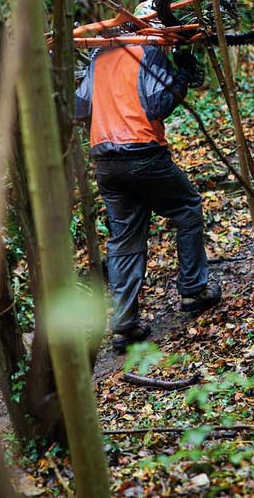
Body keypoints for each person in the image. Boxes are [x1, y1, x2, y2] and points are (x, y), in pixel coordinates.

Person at [75, 43, 221, 354]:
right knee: (187, 206)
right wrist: (181, 76)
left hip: (106, 165)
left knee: (124, 240)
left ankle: (126, 324)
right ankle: (194, 290)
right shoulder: (148, 53)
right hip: (145, 155)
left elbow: (79, 109)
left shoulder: (99, 57)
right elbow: (158, 105)